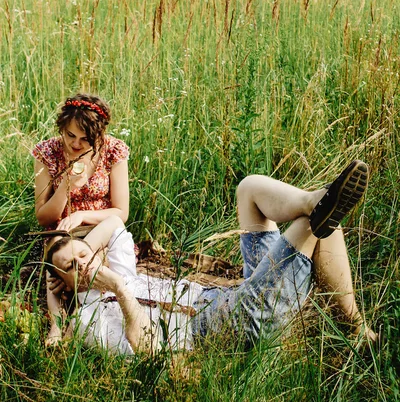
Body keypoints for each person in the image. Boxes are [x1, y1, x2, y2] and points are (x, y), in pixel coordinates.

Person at [45, 160, 376, 355]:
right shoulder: (90, 320)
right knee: (315, 223)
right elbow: (145, 349)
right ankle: (357, 327)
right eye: (71, 267)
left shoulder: (121, 267)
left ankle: (312, 199)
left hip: (234, 294)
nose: (84, 265)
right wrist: (109, 291)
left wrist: (80, 225)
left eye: (85, 254)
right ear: (62, 282)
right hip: (232, 323)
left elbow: (115, 223)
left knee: (249, 189)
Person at [32, 93, 129, 345]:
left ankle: (91, 316)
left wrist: (83, 215)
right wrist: (65, 186)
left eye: (86, 140)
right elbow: (43, 217)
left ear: (100, 135)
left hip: (100, 226)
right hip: (62, 231)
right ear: (62, 128)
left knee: (87, 265)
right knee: (58, 258)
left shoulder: (113, 151)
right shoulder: (48, 152)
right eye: (70, 135)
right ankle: (56, 324)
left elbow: (121, 212)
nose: (76, 144)